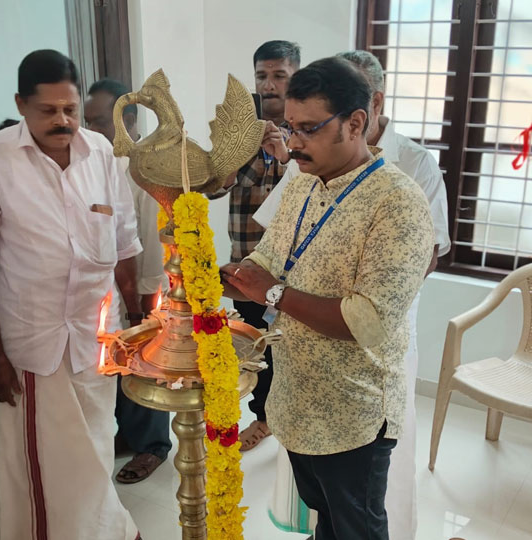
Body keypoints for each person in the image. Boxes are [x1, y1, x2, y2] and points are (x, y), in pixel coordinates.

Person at [221, 57, 434, 539]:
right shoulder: (302, 186)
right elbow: (263, 264)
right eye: (290, 128)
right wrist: (201, 276)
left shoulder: (398, 203)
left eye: (308, 129)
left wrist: (271, 291)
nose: (293, 143)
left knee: (356, 528)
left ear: (355, 123)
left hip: (353, 413)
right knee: (325, 520)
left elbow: (366, 320)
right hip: (297, 400)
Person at [0, 50, 143, 540]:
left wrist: (139, 323)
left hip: (97, 338)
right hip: (34, 345)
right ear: (21, 104)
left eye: (71, 109)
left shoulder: (102, 153)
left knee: (96, 454)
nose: (63, 121)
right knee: (43, 470)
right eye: (48, 110)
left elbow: (125, 244)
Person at [209, 40, 300, 451]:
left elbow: (311, 192)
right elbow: (213, 188)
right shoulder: (238, 132)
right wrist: (241, 149)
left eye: (279, 75)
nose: (269, 85)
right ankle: (262, 417)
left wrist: (284, 155)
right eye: (262, 75)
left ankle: (285, 419)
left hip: (293, 272)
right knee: (254, 346)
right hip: (246, 267)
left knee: (290, 349)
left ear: (295, 78)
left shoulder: (308, 132)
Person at [85, 78, 172, 484]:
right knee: (119, 366)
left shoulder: (145, 168)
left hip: (143, 290)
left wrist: (145, 302)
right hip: (110, 291)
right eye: (89, 121)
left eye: (100, 122)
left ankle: (154, 445)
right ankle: (132, 434)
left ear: (130, 120)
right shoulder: (92, 164)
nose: (91, 130)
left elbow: (152, 244)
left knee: (145, 364)